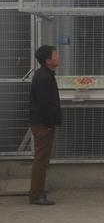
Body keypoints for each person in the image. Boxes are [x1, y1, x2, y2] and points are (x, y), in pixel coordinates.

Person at [28, 45, 62, 206]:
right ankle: (36, 195)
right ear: (48, 60)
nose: (58, 56)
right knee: (41, 161)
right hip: (43, 125)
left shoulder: (46, 74)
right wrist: (49, 124)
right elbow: (43, 105)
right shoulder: (44, 77)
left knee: (42, 160)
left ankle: (38, 192)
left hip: (43, 124)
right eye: (55, 54)